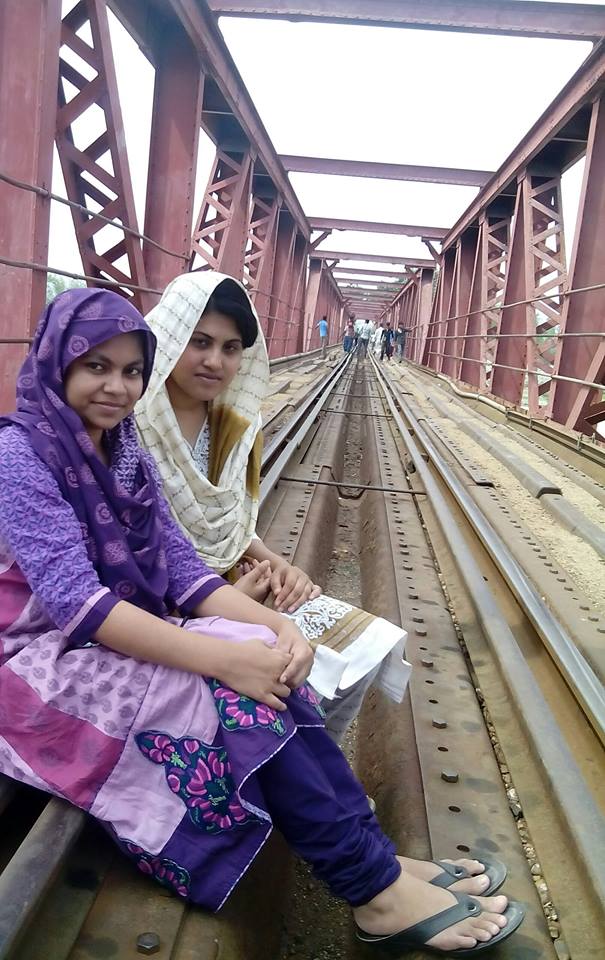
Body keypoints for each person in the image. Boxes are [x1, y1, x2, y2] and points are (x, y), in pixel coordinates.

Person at [0, 288, 524, 955]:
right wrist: (225, 659)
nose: (117, 386)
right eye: (95, 366)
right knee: (237, 693)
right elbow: (77, 603)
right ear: (56, 362)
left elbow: (182, 570)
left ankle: (373, 861)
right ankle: (372, 887)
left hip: (110, 631)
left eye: (131, 370)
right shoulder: (20, 453)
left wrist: (280, 630)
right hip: (36, 659)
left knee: (264, 662)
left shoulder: (123, 451)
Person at [135, 272, 410, 745]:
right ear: (169, 336)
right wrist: (229, 599)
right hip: (159, 603)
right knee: (289, 670)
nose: (215, 361)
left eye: (230, 348)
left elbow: (232, 522)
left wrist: (280, 565)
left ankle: (315, 754)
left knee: (367, 645)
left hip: (228, 582)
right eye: (199, 342)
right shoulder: (132, 421)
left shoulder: (236, 423)